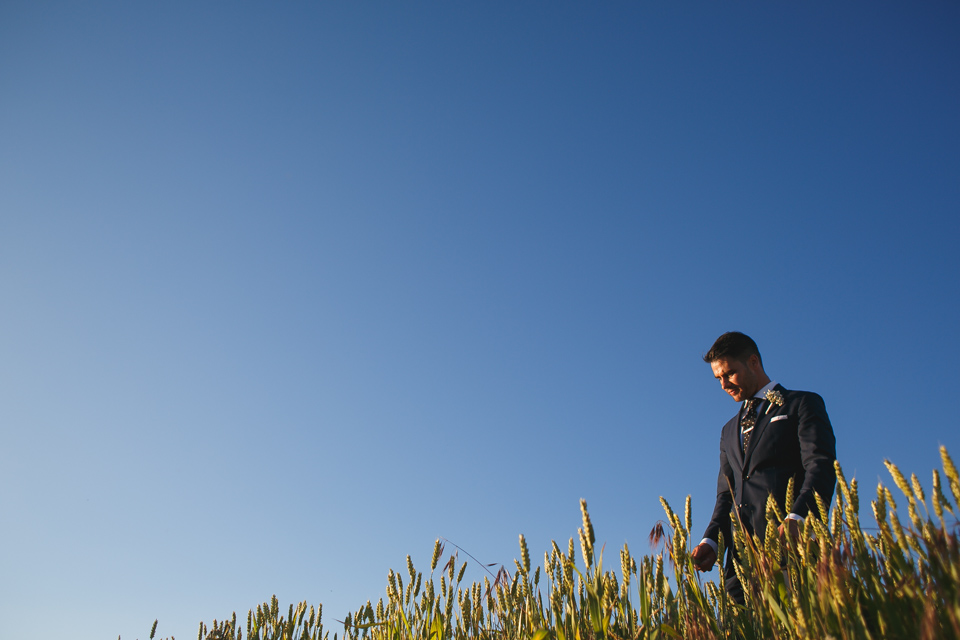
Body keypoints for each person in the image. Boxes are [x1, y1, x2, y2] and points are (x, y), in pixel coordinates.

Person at [690, 332, 837, 603]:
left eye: (730, 374)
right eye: (718, 378)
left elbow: (820, 466)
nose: (723, 384)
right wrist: (710, 541)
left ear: (753, 361)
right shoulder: (727, 431)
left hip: (792, 554)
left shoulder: (801, 404)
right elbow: (727, 495)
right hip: (741, 567)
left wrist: (799, 519)